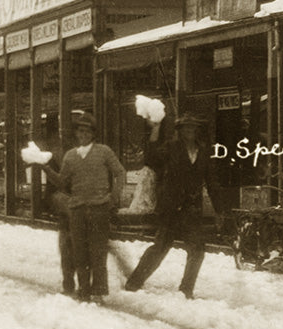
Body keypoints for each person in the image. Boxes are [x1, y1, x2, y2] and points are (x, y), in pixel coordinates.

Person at [125, 112, 226, 299]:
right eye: (186, 127)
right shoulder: (171, 148)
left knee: (197, 250)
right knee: (160, 247)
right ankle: (133, 283)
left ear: (197, 131)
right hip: (171, 208)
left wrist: (220, 210)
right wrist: (154, 130)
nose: (190, 131)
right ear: (180, 130)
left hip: (191, 210)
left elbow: (212, 183)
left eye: (193, 128)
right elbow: (151, 159)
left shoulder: (203, 152)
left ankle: (186, 290)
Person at [50, 114, 126, 302]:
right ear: (76, 133)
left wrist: (113, 197)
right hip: (77, 211)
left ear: (93, 134)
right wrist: (43, 167)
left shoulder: (103, 151)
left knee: (98, 252)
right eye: (80, 131)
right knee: (80, 252)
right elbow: (61, 181)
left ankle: (98, 292)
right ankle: (84, 291)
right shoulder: (70, 156)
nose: (83, 134)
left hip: (99, 209)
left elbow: (120, 173)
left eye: (87, 131)